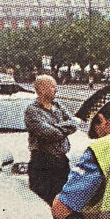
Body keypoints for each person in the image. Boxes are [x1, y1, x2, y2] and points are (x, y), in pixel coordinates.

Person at [24, 74, 76, 204]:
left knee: (63, 202)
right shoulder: (32, 111)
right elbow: (47, 133)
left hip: (61, 162)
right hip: (43, 164)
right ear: (41, 89)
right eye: (52, 86)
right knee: (46, 201)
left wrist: (56, 128)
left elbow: (74, 124)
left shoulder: (57, 105)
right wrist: (63, 129)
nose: (56, 89)